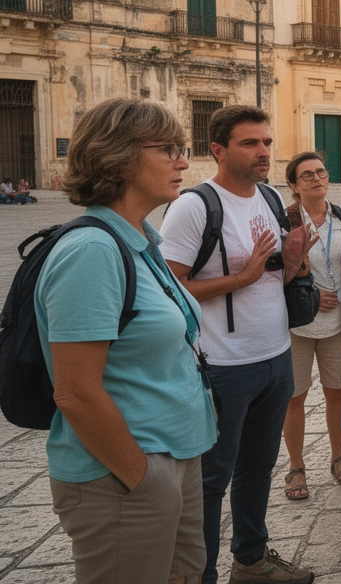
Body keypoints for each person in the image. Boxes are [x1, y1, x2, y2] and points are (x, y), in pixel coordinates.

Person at [37, 98, 215, 583]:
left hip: (175, 457)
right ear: (116, 155)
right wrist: (143, 478)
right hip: (123, 474)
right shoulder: (92, 251)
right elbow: (75, 391)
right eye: (168, 149)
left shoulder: (142, 240)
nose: (183, 161)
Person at [160, 105, 317, 584]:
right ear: (218, 150)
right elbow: (168, 287)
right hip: (220, 365)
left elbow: (277, 276)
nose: (264, 152)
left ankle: (250, 560)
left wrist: (293, 265)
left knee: (258, 467)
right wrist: (239, 278)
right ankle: (199, 573)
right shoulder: (194, 206)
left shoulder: (270, 199)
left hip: (274, 356)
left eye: (267, 142)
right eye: (250, 144)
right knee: (211, 480)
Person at [280, 151, 341, 503]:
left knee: (337, 393)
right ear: (293, 185)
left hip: (338, 322)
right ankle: (296, 465)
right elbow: (272, 272)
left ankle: (339, 457)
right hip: (296, 325)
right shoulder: (284, 221)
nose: (316, 178)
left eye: (321, 172)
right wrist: (311, 294)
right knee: (294, 398)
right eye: (306, 175)